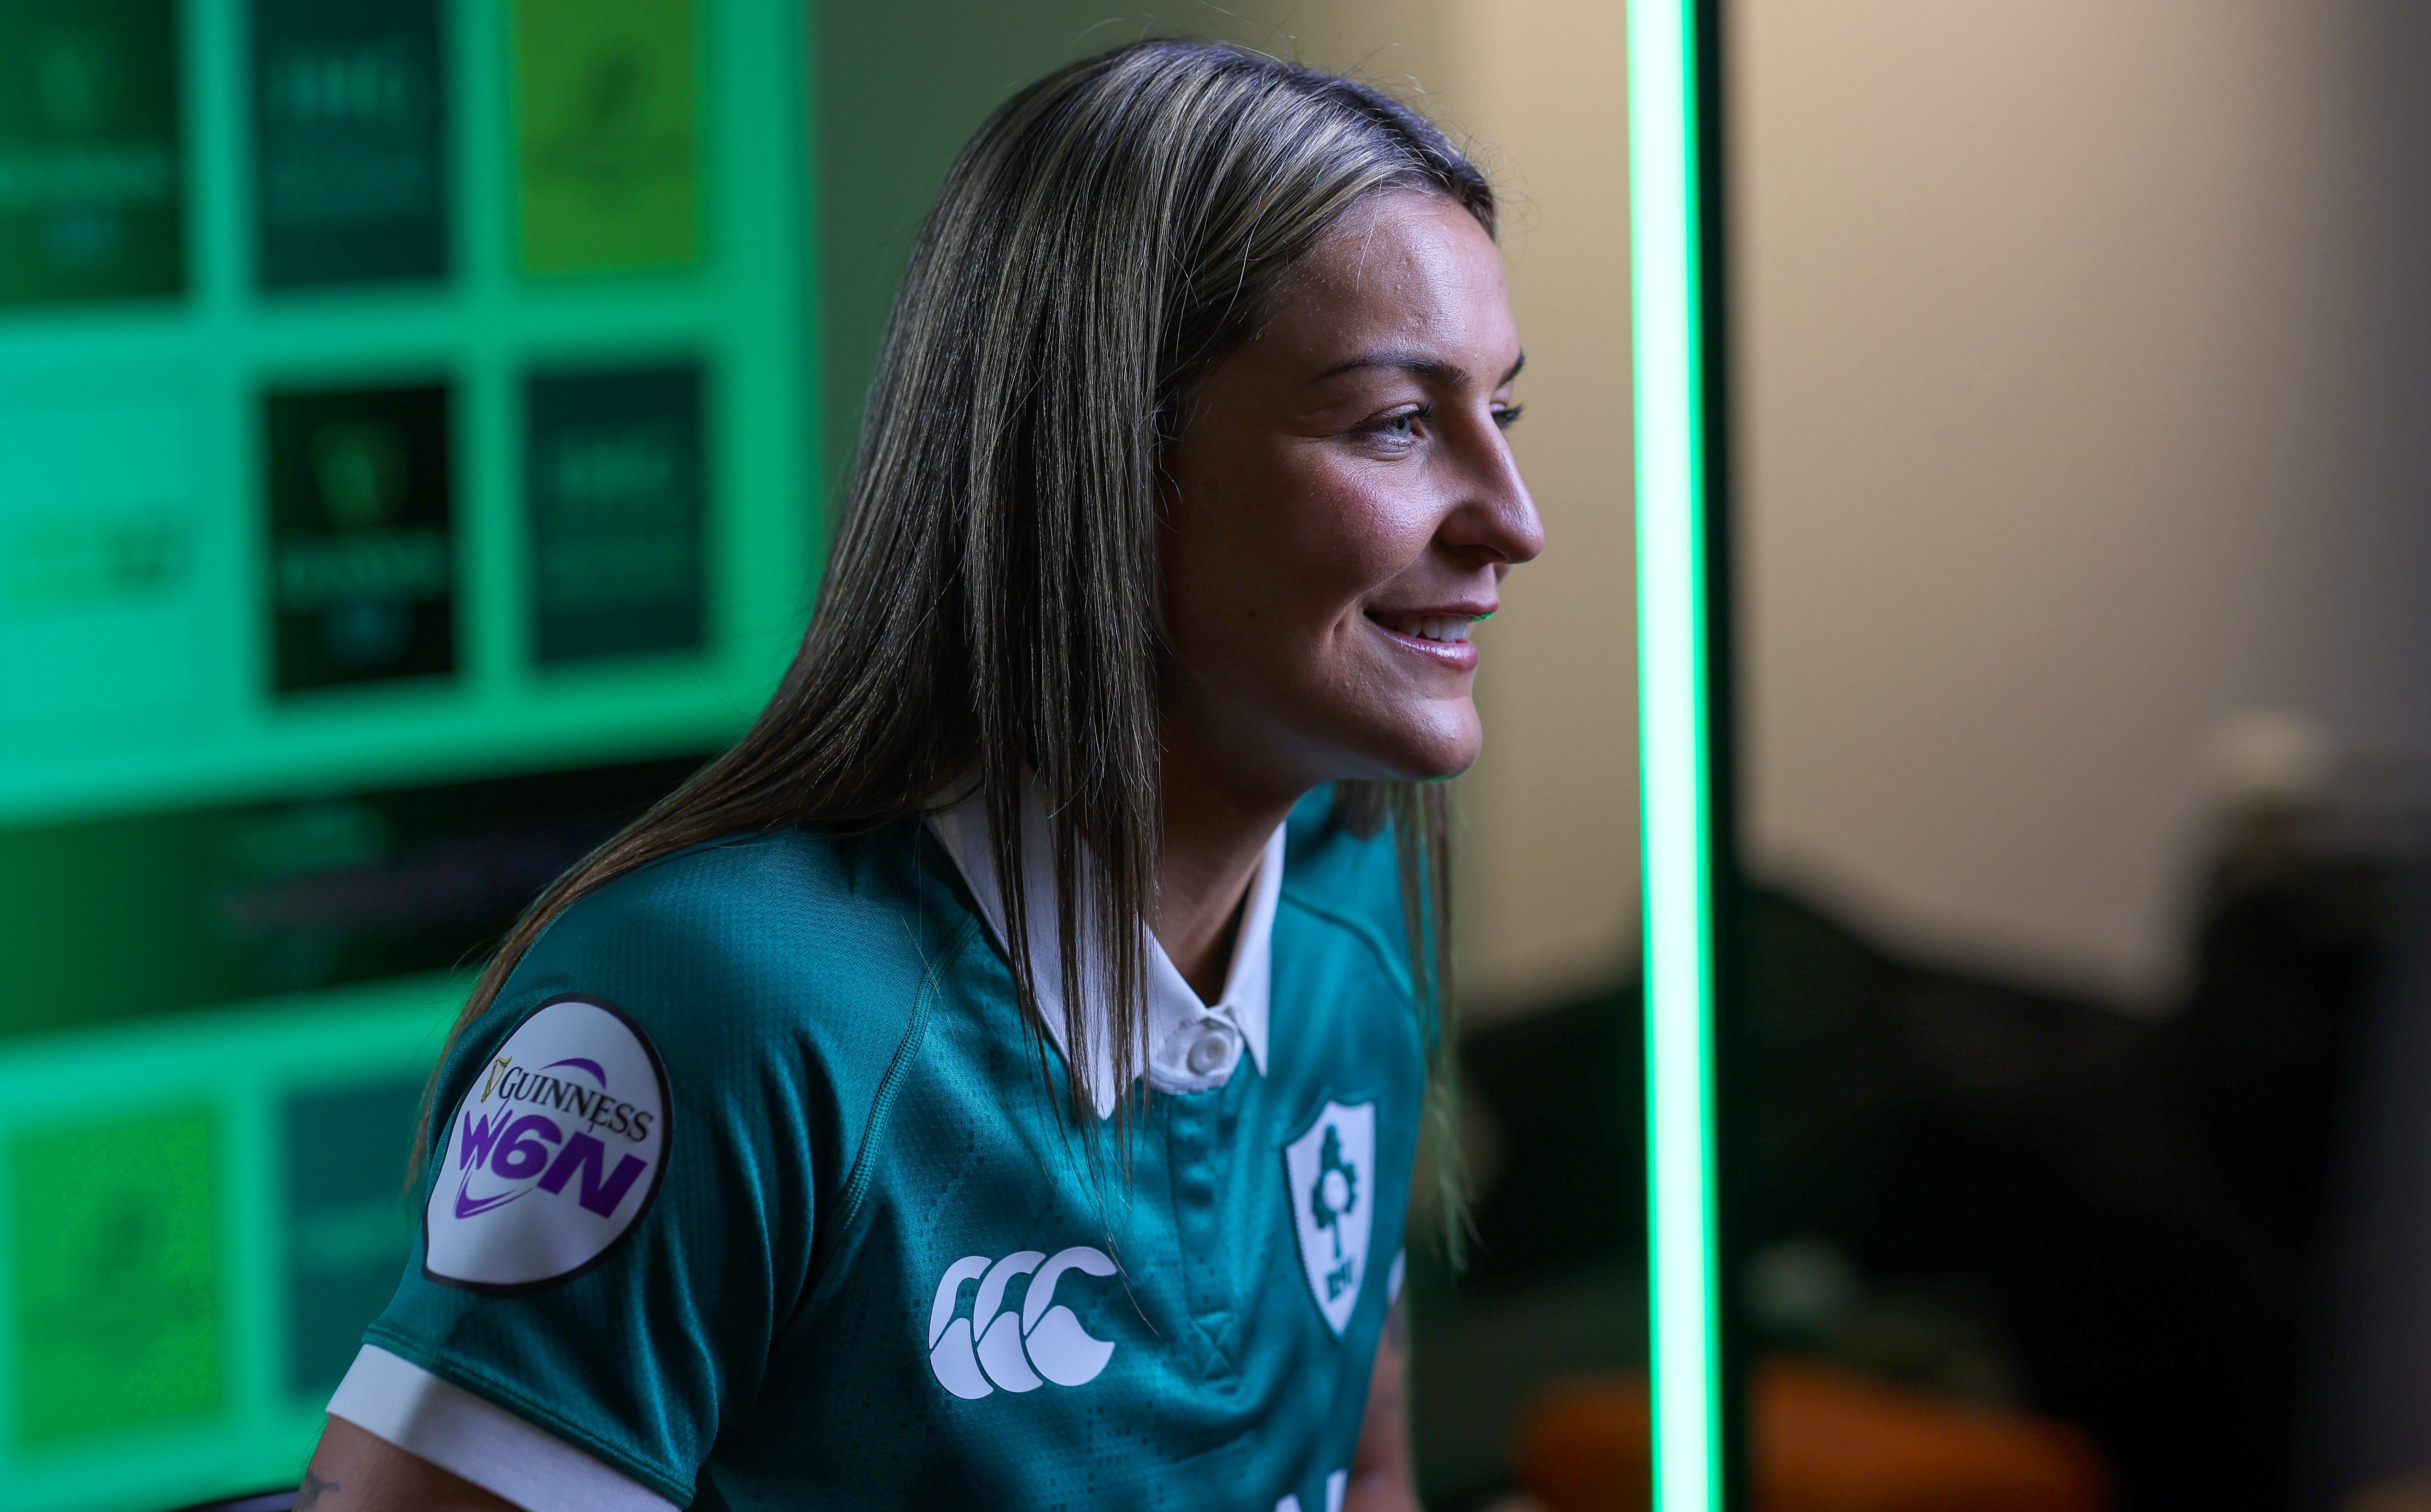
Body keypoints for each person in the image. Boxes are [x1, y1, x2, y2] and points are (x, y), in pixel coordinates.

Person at [296, 38, 1540, 1512]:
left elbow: (1361, 1467)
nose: (1512, 518)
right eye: (1397, 422)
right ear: (1106, 456)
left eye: (1503, 414)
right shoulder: (719, 1006)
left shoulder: (1348, 913)